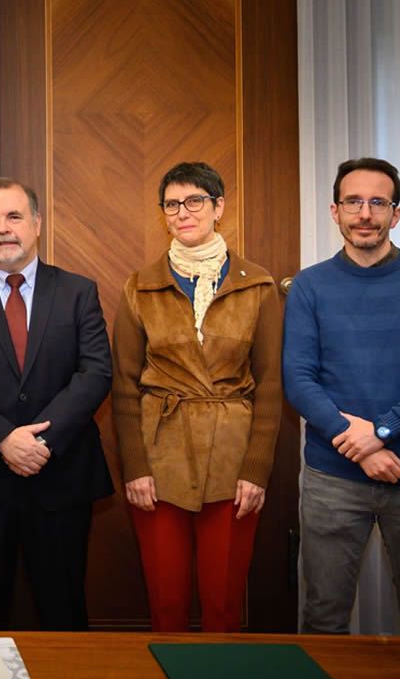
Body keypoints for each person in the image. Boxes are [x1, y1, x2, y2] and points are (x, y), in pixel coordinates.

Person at [0, 177, 113, 631]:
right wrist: (3, 439)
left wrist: (38, 441)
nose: (3, 229)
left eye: (13, 217)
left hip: (59, 476)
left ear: (37, 224)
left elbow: (95, 372)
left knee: (63, 611)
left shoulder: (77, 291)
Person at [284, 157, 400, 636]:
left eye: (378, 202)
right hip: (332, 479)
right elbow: (298, 379)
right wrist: (353, 442)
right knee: (322, 619)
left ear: (395, 214)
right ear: (335, 212)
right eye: (354, 202)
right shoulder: (310, 286)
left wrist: (382, 432)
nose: (365, 213)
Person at [111, 162, 282, 632]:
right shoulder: (140, 285)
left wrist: (256, 469)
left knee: (224, 604)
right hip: (159, 455)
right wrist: (135, 466)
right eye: (172, 204)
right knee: (165, 602)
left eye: (195, 201)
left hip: (233, 458)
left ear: (218, 207)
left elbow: (270, 384)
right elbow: (124, 384)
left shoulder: (258, 284)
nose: (183, 212)